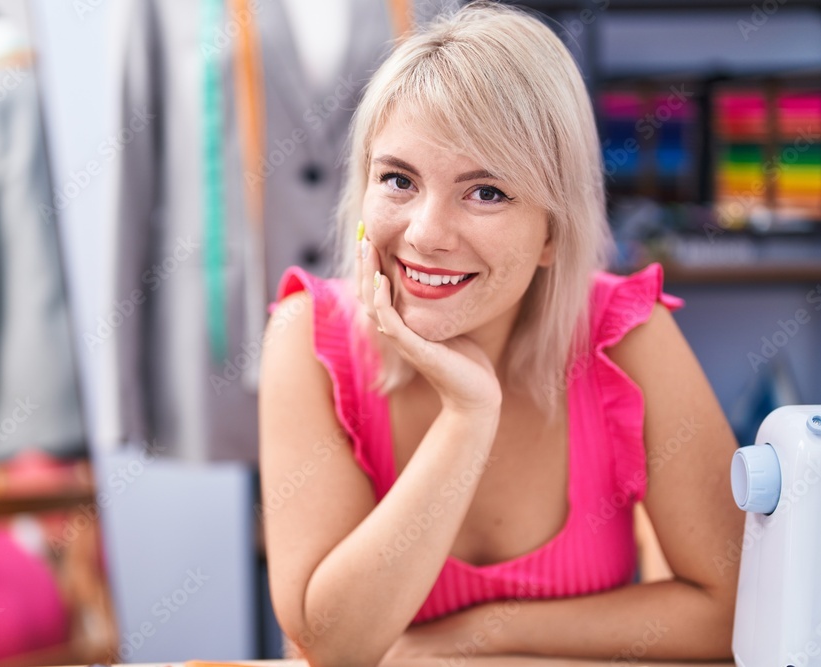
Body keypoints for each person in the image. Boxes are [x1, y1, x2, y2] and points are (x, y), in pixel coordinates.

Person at [258, 2, 743, 664]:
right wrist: (466, 414)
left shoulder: (626, 336)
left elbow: (733, 614)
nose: (426, 233)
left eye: (485, 191)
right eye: (398, 179)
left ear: (552, 231)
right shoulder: (309, 338)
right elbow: (334, 647)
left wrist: (481, 632)